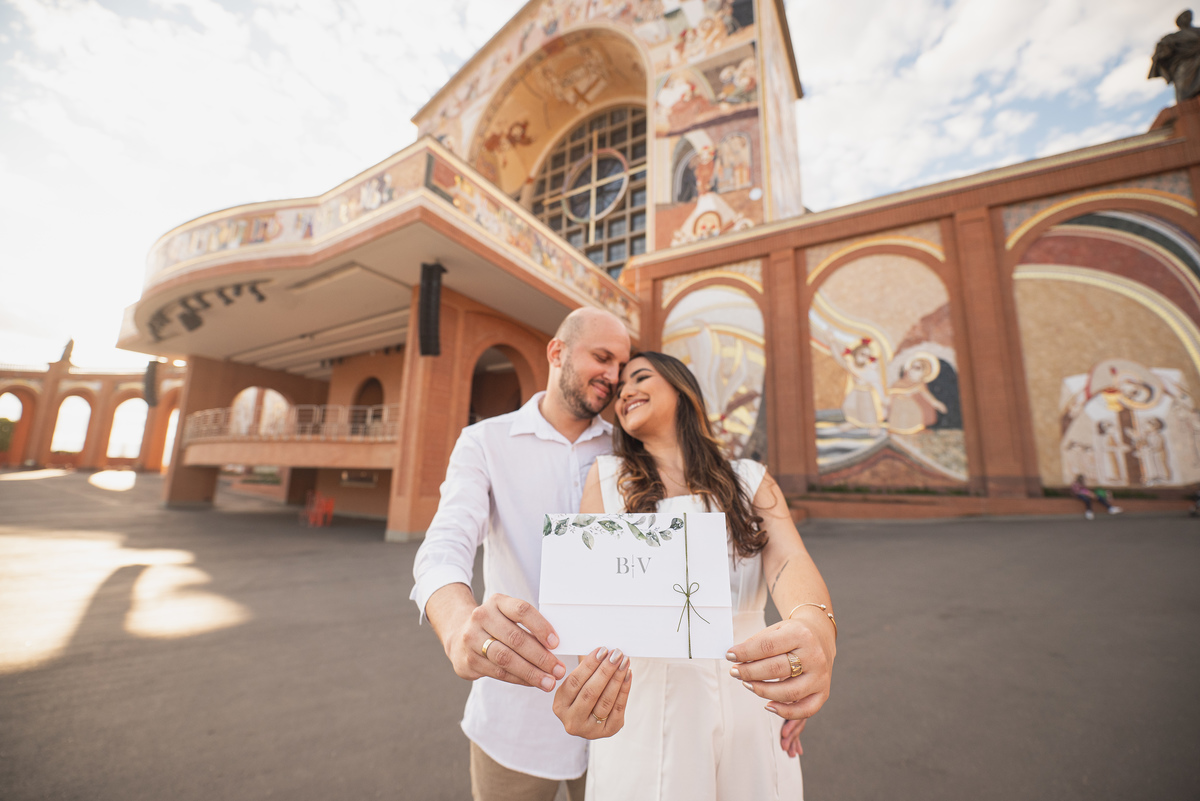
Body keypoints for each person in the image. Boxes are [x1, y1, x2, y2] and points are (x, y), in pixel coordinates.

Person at [553, 352, 836, 801]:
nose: (625, 391)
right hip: (644, 696)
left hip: (752, 686)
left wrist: (813, 632)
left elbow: (788, 561)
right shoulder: (607, 479)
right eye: (620, 388)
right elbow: (595, 595)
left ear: (683, 391)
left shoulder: (749, 479)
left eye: (640, 377)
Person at [410, 307, 632, 801]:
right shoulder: (485, 443)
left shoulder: (632, 448)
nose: (615, 376)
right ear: (557, 352)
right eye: (602, 357)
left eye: (622, 364)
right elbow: (445, 542)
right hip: (514, 719)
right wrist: (455, 624)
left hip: (619, 714)